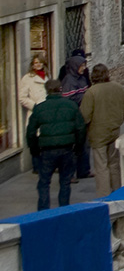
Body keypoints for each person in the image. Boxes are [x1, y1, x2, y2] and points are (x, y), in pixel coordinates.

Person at [25, 79, 85, 211]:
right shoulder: (71, 105)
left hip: (47, 150)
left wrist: (34, 150)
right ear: (60, 89)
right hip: (67, 149)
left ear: (47, 91)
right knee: (65, 182)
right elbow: (81, 128)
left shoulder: (40, 109)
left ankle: (43, 212)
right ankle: (63, 211)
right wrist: (78, 148)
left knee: (44, 183)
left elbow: (30, 132)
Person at [78, 64, 124, 198]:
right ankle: (117, 191)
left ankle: (104, 196)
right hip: (114, 130)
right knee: (114, 163)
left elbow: (85, 115)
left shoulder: (91, 92)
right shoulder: (118, 87)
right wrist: (119, 120)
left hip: (97, 133)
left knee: (101, 166)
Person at [60, 53, 91, 180]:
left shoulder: (82, 78)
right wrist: (86, 96)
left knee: (84, 145)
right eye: (81, 65)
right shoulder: (69, 80)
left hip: (82, 116)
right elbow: (68, 99)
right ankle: (70, 174)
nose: (83, 68)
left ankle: (84, 170)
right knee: (73, 148)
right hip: (73, 118)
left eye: (84, 65)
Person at [18, 53, 49, 124]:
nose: (38, 64)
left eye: (40, 62)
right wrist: (35, 106)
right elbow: (22, 97)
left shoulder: (47, 76)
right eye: (36, 63)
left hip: (47, 111)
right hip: (35, 112)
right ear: (32, 65)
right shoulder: (27, 78)